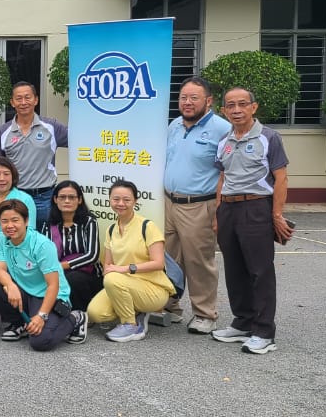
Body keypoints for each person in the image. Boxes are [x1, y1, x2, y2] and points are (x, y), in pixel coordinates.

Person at [211, 86, 292, 355]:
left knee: (260, 271)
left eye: (242, 104)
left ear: (253, 107)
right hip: (228, 209)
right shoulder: (224, 141)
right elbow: (223, 177)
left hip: (256, 206)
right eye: (230, 105)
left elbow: (281, 178)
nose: (236, 110)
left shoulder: (269, 137)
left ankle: (264, 331)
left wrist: (276, 215)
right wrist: (217, 213)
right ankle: (243, 322)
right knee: (234, 269)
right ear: (224, 110)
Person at [163, 76, 232, 335]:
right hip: (168, 201)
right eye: (183, 97)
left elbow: (228, 171)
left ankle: (204, 313)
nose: (187, 102)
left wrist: (220, 209)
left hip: (200, 205)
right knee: (167, 258)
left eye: (194, 98)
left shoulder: (222, 129)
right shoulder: (174, 125)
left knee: (198, 261)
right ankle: (169, 307)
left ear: (209, 101)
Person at [0, 198, 85, 350]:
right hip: (25, 291)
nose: (10, 225)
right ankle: (20, 324)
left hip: (49, 295)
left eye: (15, 220)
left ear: (26, 221)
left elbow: (53, 285)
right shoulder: (0, 238)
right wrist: (10, 285)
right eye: (4, 221)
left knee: (40, 342)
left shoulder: (42, 245)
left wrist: (41, 316)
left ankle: (76, 318)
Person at [86, 180, 172, 344]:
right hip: (123, 285)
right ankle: (137, 312)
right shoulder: (111, 229)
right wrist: (113, 271)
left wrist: (125, 269)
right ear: (109, 200)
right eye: (116, 199)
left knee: (112, 278)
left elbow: (158, 263)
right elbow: (108, 265)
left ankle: (131, 324)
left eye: (126, 200)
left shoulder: (147, 226)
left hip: (153, 288)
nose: (121, 203)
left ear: (135, 201)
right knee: (95, 313)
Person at [0, 81, 68, 228]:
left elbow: (80, 140)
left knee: (45, 237)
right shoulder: (4, 131)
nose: (23, 102)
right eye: (19, 98)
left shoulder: (52, 127)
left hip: (45, 197)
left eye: (27, 97)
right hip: (15, 197)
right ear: (12, 102)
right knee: (16, 236)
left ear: (36, 100)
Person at [43, 180, 103, 312]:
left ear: (79, 200)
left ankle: (81, 314)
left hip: (88, 276)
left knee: (73, 278)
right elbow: (44, 254)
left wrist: (62, 266)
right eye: (62, 197)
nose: (67, 201)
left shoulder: (89, 222)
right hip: (57, 272)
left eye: (71, 197)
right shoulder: (48, 225)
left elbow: (92, 255)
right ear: (55, 200)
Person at [0, 156, 36, 233]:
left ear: (13, 177)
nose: (1, 178)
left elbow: (30, 231)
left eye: (6, 174)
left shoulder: (25, 199)